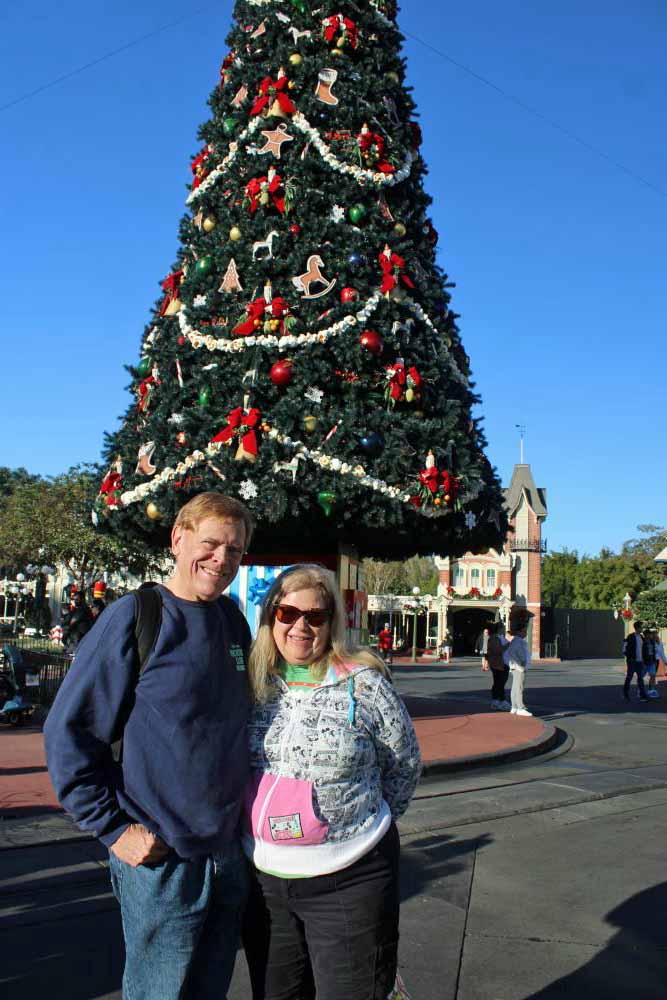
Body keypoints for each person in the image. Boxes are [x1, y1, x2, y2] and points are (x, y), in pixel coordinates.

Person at [44, 493, 254, 1000]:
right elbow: (68, 730)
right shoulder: (136, 616)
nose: (221, 559)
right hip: (160, 857)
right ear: (178, 538)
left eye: (234, 550)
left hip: (227, 852)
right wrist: (113, 829)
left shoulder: (231, 620)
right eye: (210, 544)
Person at [244, 564, 422, 1000]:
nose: (300, 626)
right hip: (265, 882)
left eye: (315, 616)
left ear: (331, 623)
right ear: (271, 617)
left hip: (350, 878)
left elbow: (403, 764)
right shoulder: (253, 682)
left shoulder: (365, 685)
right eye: (288, 613)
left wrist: (353, 823)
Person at [503, 607, 534, 716]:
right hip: (519, 667)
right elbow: (517, 654)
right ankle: (520, 707)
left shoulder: (516, 640)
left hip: (515, 666)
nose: (526, 632)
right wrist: (521, 664)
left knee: (515, 687)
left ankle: (514, 706)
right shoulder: (519, 641)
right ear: (520, 631)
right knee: (519, 687)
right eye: (525, 630)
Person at [483, 621, 510, 710]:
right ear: (499, 629)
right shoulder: (495, 638)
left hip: (501, 663)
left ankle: (497, 701)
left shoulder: (499, 637)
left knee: (499, 682)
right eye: (503, 628)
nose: (504, 630)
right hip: (499, 663)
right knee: (500, 683)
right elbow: (498, 650)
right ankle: (500, 701)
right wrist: (508, 644)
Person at [623, 620, 649, 703]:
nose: (642, 629)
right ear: (637, 628)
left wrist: (645, 659)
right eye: (641, 627)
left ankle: (642, 695)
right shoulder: (630, 636)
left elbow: (644, 649)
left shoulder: (642, 637)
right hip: (632, 661)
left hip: (640, 661)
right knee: (629, 677)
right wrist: (629, 658)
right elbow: (624, 648)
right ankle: (625, 693)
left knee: (640, 678)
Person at [642, 628, 659, 698]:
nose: (650, 635)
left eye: (650, 634)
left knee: (653, 675)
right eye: (649, 634)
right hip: (644, 662)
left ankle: (651, 690)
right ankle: (640, 690)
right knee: (641, 676)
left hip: (652, 661)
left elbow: (654, 651)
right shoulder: (642, 642)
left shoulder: (652, 641)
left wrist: (655, 660)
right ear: (645, 635)